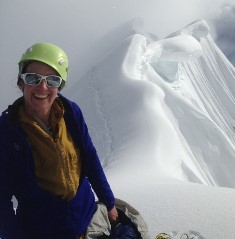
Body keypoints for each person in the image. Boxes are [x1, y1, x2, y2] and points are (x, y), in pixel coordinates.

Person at [0, 42, 118, 239]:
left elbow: (89, 157)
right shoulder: (8, 130)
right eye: (33, 78)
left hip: (86, 220)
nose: (43, 87)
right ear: (21, 82)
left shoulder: (71, 113)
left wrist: (109, 201)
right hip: (43, 231)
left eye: (52, 80)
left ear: (60, 85)